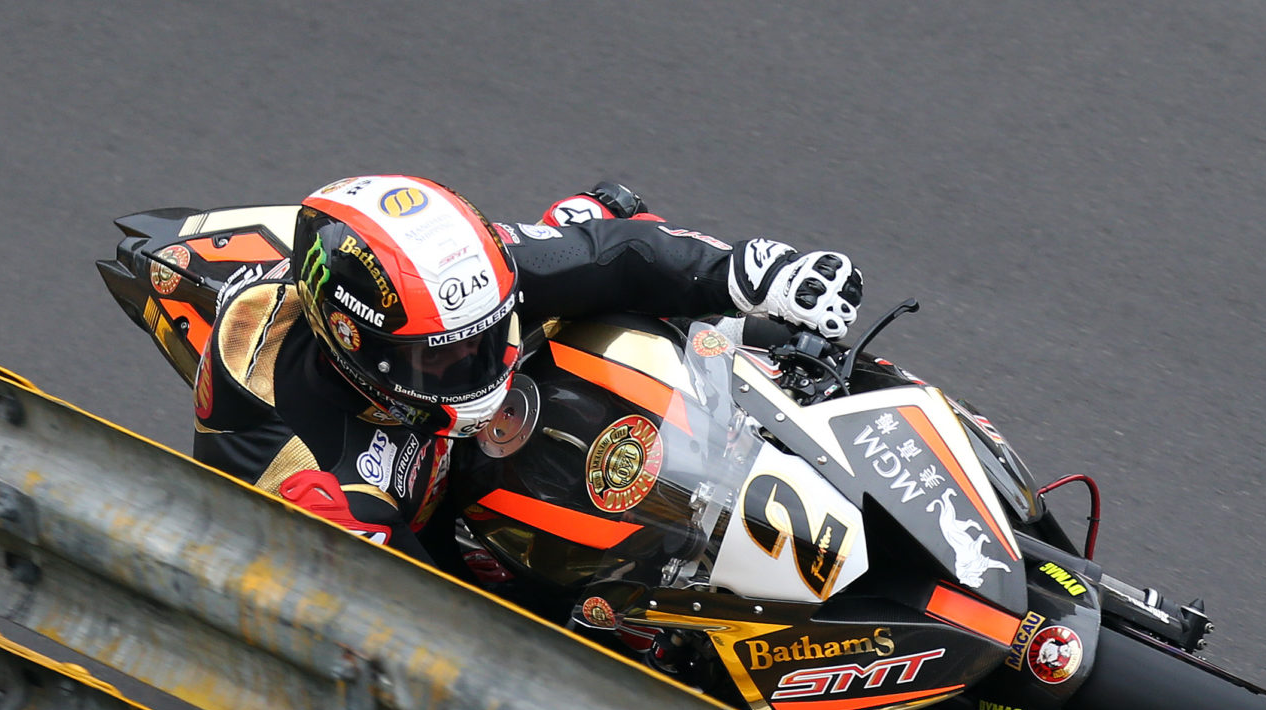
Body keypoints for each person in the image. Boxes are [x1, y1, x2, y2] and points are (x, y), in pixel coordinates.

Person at [190, 176, 863, 562]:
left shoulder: (458, 292)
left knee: (604, 215)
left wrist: (758, 274)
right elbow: (422, 633)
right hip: (400, 517)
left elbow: (617, 252)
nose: (471, 360)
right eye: (441, 356)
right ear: (357, 347)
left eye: (481, 337)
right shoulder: (316, 481)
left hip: (434, 408)